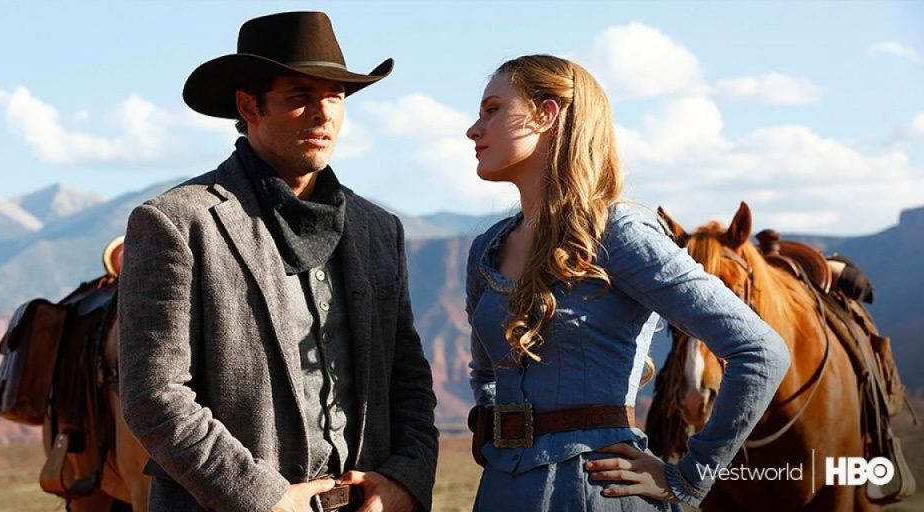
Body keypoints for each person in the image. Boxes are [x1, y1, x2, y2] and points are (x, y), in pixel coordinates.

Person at [118, 11, 438, 512]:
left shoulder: (378, 230)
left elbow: (408, 379)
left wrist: (405, 480)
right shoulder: (178, 223)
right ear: (249, 106)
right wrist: (263, 499)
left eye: (335, 96)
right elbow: (154, 394)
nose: (323, 114)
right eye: (299, 97)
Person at [462, 54, 791, 511]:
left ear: (546, 114)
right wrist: (498, 430)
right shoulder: (487, 249)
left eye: (493, 109)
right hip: (502, 488)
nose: (473, 129)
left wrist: (690, 477)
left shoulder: (619, 234)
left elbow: (760, 350)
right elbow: (485, 372)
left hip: (596, 490)